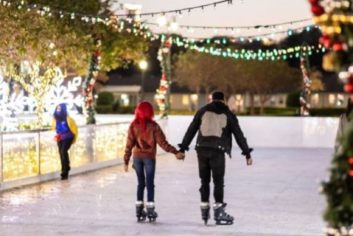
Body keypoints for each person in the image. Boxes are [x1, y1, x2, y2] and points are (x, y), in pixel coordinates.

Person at [178, 91, 253, 225]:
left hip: (201, 149)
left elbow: (191, 130)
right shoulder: (228, 114)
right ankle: (219, 213)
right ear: (224, 100)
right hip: (217, 151)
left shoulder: (202, 111)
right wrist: (246, 153)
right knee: (218, 181)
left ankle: (205, 210)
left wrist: (183, 148)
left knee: (204, 181)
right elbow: (238, 135)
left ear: (211, 99)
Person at [124, 101, 184, 223]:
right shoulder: (154, 126)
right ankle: (150, 210)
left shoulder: (133, 126)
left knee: (140, 184)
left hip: (137, 157)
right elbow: (163, 143)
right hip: (149, 158)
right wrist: (176, 152)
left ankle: (139, 210)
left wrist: (126, 161)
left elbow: (129, 145)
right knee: (150, 184)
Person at [52, 103, 78, 180]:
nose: (58, 110)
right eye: (57, 108)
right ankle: (64, 169)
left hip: (68, 136)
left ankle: (66, 169)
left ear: (63, 109)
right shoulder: (55, 118)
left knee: (63, 151)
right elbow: (54, 127)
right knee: (61, 152)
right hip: (60, 137)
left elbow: (74, 128)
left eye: (59, 109)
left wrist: (71, 135)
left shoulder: (68, 119)